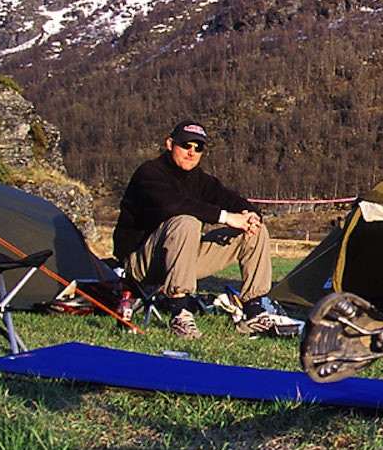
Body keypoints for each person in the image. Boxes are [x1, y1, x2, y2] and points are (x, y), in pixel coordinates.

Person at [111, 119, 282, 339]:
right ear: (170, 144)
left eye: (198, 147)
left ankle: (254, 312)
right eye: (186, 145)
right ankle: (180, 313)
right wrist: (225, 217)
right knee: (185, 221)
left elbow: (230, 198)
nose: (192, 152)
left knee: (255, 230)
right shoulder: (149, 173)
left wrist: (250, 216)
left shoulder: (200, 180)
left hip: (182, 259)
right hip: (142, 263)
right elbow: (171, 205)